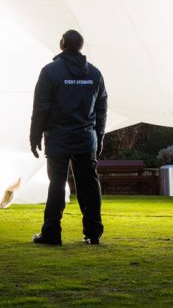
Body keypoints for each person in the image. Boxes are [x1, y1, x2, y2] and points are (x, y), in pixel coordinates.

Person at [29, 29, 108, 245]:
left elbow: (41, 107)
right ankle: (93, 233)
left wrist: (34, 135)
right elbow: (101, 110)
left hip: (58, 137)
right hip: (85, 138)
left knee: (56, 184)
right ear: (80, 46)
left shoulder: (50, 72)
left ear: (62, 44)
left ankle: (52, 233)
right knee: (89, 187)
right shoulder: (94, 74)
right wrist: (99, 137)